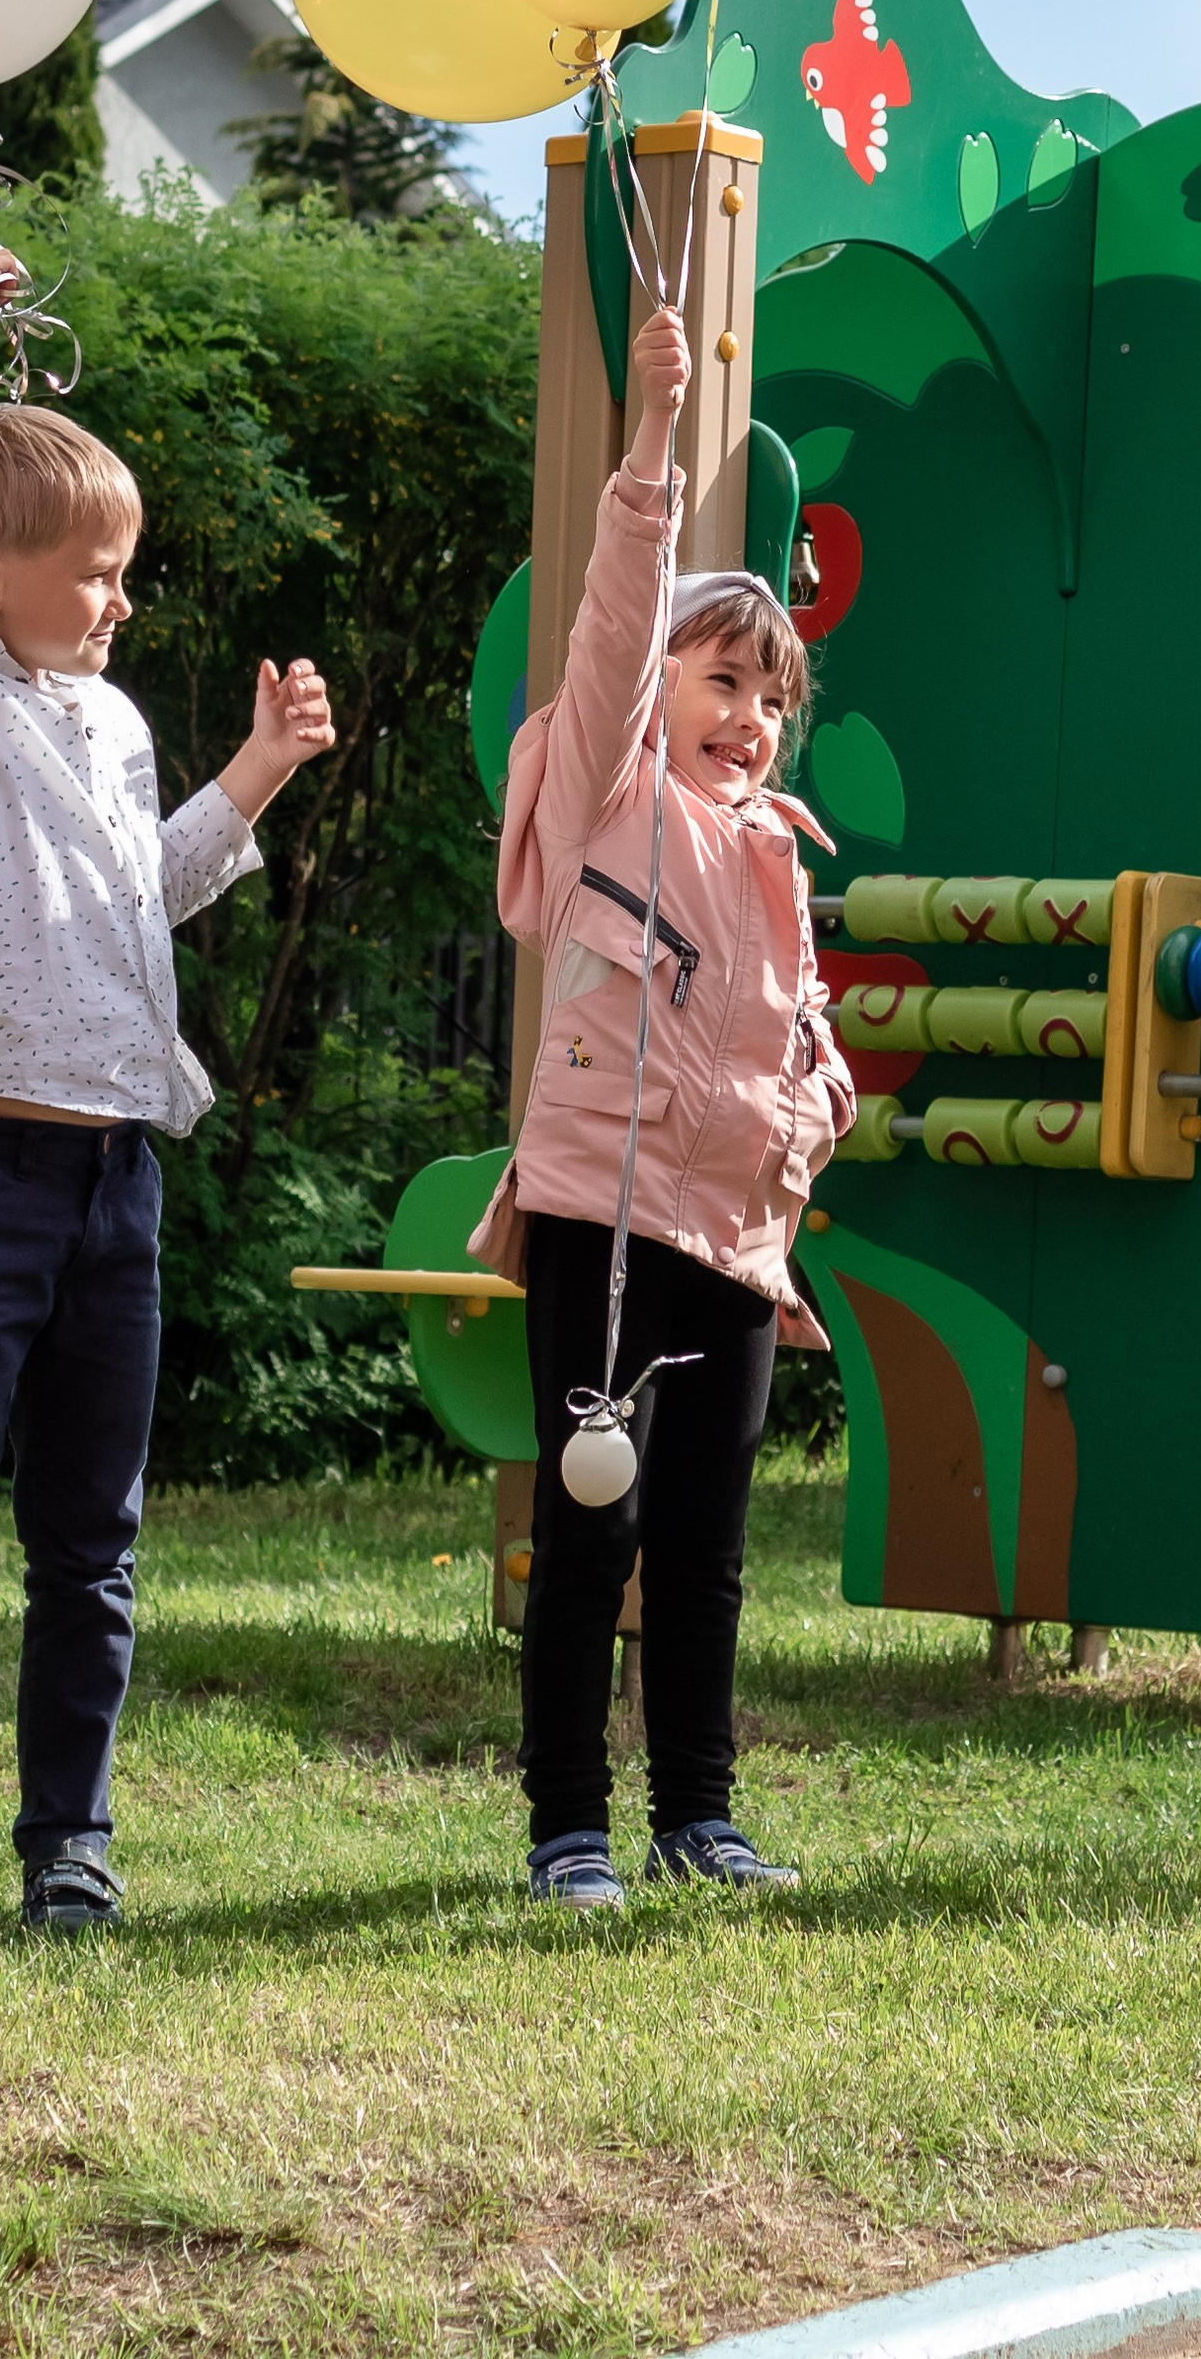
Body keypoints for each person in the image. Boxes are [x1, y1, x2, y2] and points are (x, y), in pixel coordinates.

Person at [0, 240, 335, 1957]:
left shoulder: (110, 725)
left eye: (127, 570)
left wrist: (254, 771)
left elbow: (142, 901)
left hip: (115, 1178)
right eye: (96, 570)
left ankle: (69, 1847)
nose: (120, 597)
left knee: (91, 1550)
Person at [487, 301, 853, 1915]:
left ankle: (696, 1814)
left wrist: (819, 1093)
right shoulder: (605, 790)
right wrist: (650, 440)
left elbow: (800, 1028)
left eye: (771, 696)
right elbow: (611, 628)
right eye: (720, 680)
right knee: (594, 1531)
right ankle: (570, 1822)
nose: (747, 717)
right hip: (605, 1221)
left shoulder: (774, 844)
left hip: (736, 1238)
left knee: (703, 1546)